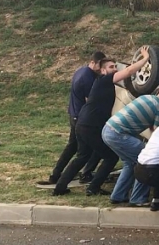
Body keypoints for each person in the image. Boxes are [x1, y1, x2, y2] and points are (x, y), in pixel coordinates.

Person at [52, 47, 151, 196]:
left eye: (115, 67)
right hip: (89, 126)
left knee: (82, 156)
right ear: (103, 70)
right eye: (111, 67)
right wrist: (145, 59)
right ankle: (93, 187)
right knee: (110, 157)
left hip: (83, 123)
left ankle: (60, 187)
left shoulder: (104, 83)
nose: (114, 69)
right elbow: (129, 72)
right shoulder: (104, 80)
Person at [105, 81, 159, 206]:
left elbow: (152, 128)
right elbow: (158, 135)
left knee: (130, 163)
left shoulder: (147, 97)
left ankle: (118, 195)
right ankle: (138, 198)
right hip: (119, 134)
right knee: (145, 162)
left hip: (108, 129)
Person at [38, 51, 105, 187]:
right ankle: (82, 175)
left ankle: (55, 175)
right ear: (93, 62)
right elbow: (90, 101)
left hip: (74, 115)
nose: (101, 69)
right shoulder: (88, 78)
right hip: (82, 118)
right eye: (100, 65)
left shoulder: (80, 71)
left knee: (71, 147)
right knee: (87, 151)